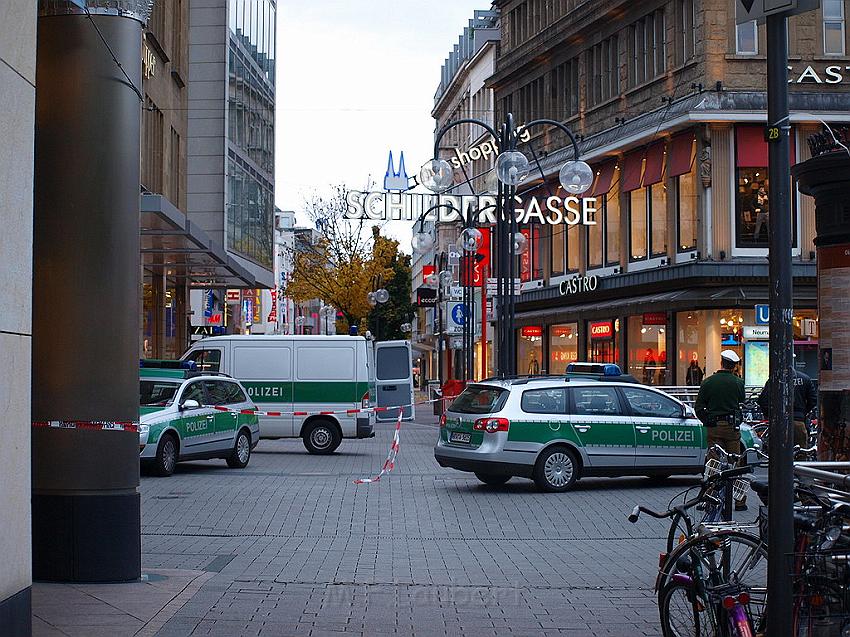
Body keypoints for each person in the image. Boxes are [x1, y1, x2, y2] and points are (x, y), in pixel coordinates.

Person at [695, 349, 747, 510]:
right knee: (736, 463)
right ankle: (739, 500)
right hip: (732, 428)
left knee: (712, 462)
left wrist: (707, 421)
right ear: (733, 366)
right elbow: (742, 400)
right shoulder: (738, 382)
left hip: (713, 428)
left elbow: (699, 407)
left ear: (721, 363)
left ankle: (708, 496)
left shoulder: (708, 382)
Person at [757, 362, 817, 449]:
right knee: (800, 454)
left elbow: (763, 401)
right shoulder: (805, 378)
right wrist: (802, 412)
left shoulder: (774, 379)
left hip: (778, 422)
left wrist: (771, 416)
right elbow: (813, 400)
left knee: (778, 454)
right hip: (798, 422)